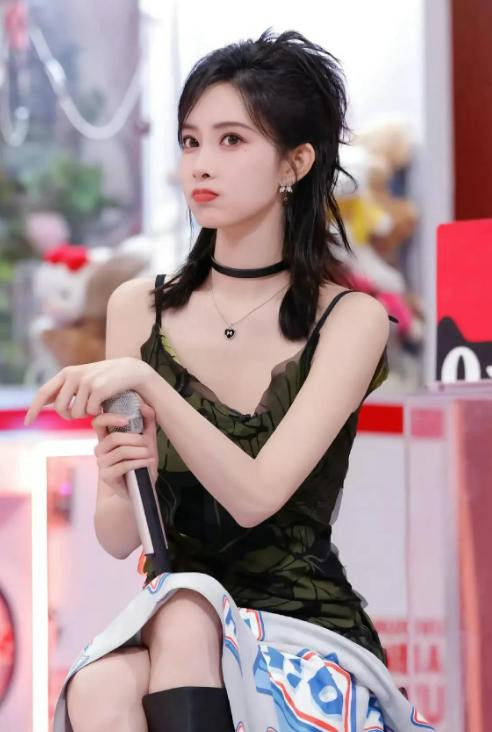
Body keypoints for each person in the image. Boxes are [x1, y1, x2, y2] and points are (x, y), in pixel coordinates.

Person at [25, 28, 434, 732]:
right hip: (172, 615)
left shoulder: (351, 319)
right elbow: (121, 538)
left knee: (186, 611)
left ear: (296, 162)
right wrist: (119, 477)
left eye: (232, 141)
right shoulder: (137, 308)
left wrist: (150, 386)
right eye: (190, 142)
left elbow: (255, 497)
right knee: (98, 684)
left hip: (300, 626)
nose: (201, 165)